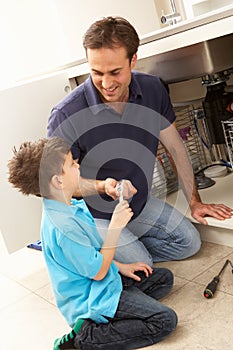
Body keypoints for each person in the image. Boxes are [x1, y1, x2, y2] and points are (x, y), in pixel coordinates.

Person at [47, 16, 232, 267]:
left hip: (136, 204)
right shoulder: (67, 114)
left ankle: (112, 254)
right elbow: (60, 186)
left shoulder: (153, 89)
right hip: (95, 217)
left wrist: (194, 202)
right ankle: (102, 256)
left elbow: (176, 149)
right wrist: (103, 187)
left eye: (115, 72)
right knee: (142, 263)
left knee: (189, 243)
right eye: (96, 73)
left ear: (133, 60)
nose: (106, 83)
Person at [8, 137, 177, 350]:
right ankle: (85, 338)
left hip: (104, 282)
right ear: (58, 181)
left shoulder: (68, 206)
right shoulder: (64, 228)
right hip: (91, 299)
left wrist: (121, 267)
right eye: (71, 164)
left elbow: (91, 256)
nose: (78, 165)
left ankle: (116, 309)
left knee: (163, 279)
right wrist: (115, 227)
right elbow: (97, 272)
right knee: (164, 321)